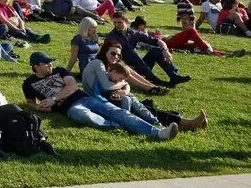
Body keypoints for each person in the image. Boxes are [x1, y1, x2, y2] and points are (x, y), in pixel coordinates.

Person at [21, 52, 178, 140]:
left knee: (118, 112)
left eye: (50, 62)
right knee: (83, 115)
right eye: (46, 63)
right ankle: (119, 125)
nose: (50, 65)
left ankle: (158, 132)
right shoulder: (28, 83)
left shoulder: (59, 71)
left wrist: (53, 99)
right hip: (70, 108)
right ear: (36, 66)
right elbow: (29, 101)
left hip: (86, 98)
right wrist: (39, 107)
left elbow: (72, 85)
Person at [104, 13, 190, 87]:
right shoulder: (111, 37)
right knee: (132, 53)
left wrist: (165, 50)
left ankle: (173, 76)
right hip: (126, 68)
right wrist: (125, 66)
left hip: (139, 66)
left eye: (119, 22)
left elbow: (157, 41)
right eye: (114, 22)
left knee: (156, 50)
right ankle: (155, 80)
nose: (117, 25)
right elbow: (108, 57)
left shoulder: (133, 33)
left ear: (126, 22)